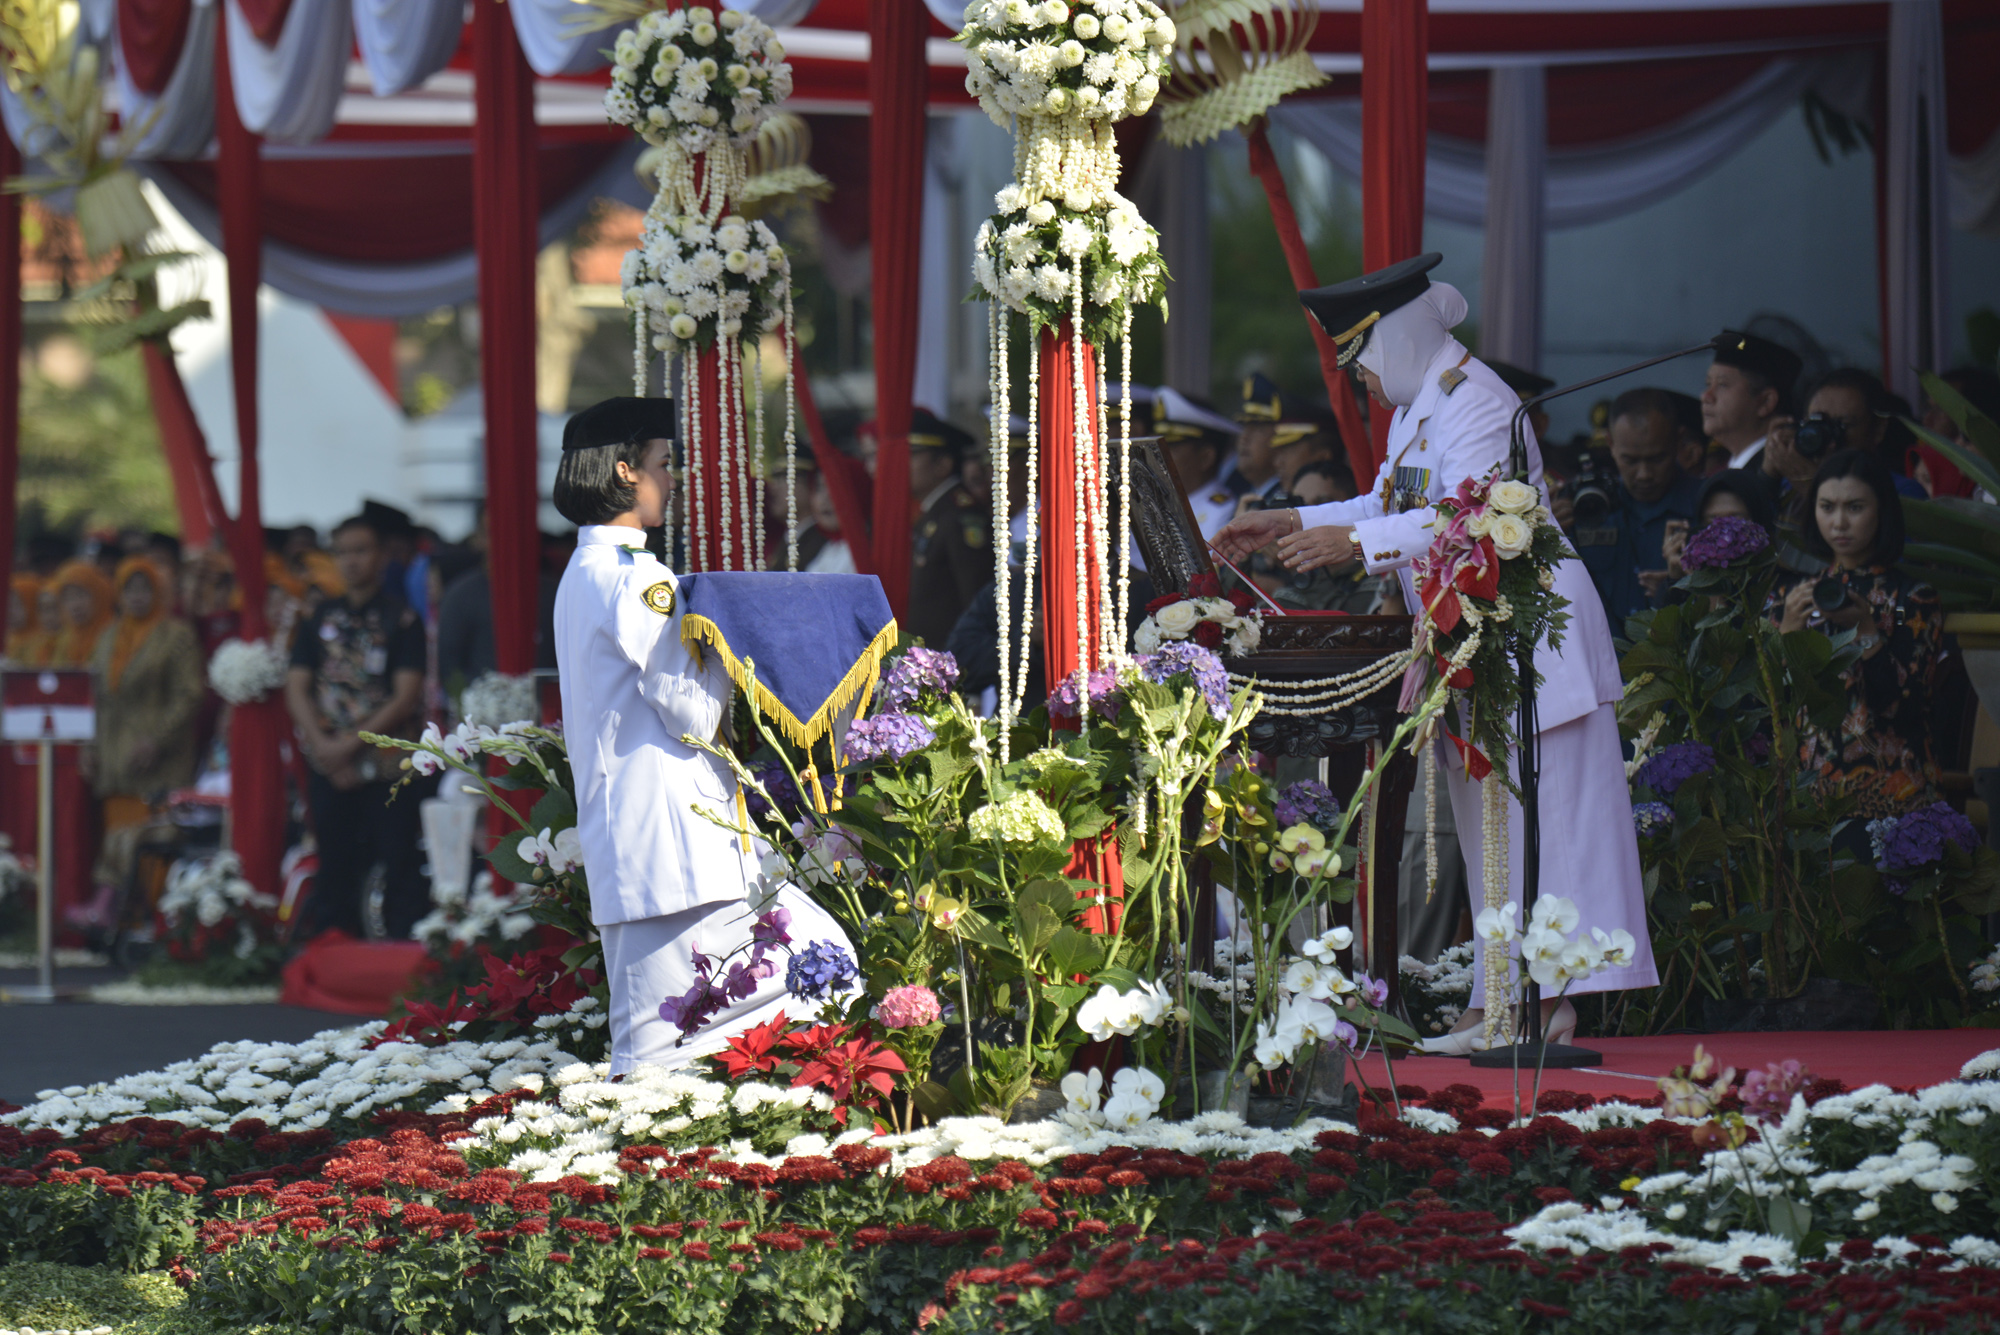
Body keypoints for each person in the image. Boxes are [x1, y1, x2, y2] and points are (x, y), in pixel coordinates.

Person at [1215, 252, 1657, 1052]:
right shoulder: (1422, 405)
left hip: (1529, 643)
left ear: (1400, 338)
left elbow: (1470, 516)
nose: (1361, 381)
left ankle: (1535, 1004)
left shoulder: (1477, 401)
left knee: (1544, 831)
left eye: (1364, 360)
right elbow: (1392, 502)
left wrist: (1355, 542)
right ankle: (1501, 1003)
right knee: (1497, 833)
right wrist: (1294, 520)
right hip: (1477, 645)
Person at [551, 396, 850, 1073]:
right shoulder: (638, 578)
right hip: (678, 847)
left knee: (661, 1041)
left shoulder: (586, 571)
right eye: (664, 463)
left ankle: (664, 1155)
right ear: (624, 471)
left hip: (647, 845)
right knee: (824, 970)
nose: (675, 476)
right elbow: (690, 711)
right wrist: (730, 640)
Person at [1770, 450, 1943, 820]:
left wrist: (1866, 630)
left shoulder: (1913, 596)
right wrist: (1787, 634)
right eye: (1827, 507)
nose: (1839, 523)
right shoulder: (1792, 597)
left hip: (1895, 792)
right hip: (1809, 792)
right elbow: (1768, 705)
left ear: (1882, 510)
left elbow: (1904, 707)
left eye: (1855, 507)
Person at [284, 512, 432, 940]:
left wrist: (349, 745)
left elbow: (405, 695)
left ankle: (401, 960)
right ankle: (333, 953)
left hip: (385, 766)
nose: (351, 561)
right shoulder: (318, 617)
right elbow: (297, 687)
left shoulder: (402, 619)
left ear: (383, 557)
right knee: (334, 864)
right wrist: (324, 748)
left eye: (361, 551)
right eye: (342, 552)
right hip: (329, 762)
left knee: (398, 861)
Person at [86, 557, 203, 896]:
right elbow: (95, 696)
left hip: (159, 764)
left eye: (145, 589)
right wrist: (89, 747)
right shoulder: (108, 637)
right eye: (129, 589)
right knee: (116, 845)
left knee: (152, 842)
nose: (137, 597)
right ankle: (120, 922)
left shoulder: (175, 635)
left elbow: (189, 695)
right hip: (115, 762)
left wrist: (156, 739)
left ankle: (152, 921)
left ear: (159, 593)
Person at [1572, 387, 1705, 627]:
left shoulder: (1706, 506)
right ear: (1610, 444)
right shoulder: (1586, 508)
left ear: (1678, 441)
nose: (1644, 474)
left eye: (1657, 459)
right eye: (1630, 460)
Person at [905, 408, 991, 648]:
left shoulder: (959, 516)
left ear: (943, 464)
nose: (902, 464)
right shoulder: (935, 513)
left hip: (952, 665)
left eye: (913, 455)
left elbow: (974, 600)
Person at [1792, 367, 1924, 498]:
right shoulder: (1789, 480)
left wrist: (1812, 486)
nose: (1830, 441)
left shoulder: (1903, 492)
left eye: (1843, 425)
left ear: (1878, 429)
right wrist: (1771, 475)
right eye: (1818, 426)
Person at [1702, 329, 1801, 474]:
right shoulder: (1727, 470)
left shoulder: (1777, 472)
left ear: (1766, 402)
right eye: (1708, 383)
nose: (1706, 396)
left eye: (1722, 384)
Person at [1227, 373, 1304, 502]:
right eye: (1244, 426)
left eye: (1258, 429)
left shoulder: (1286, 499)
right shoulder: (1239, 490)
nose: (1244, 437)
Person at [46, 560, 114, 668]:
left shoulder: (114, 638)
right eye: (68, 598)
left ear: (98, 594)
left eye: (81, 595)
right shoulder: (64, 640)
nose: (75, 605)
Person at [6, 573, 43, 664]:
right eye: (7, 605)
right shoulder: (8, 640)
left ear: (33, 604)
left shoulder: (46, 640)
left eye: (17, 604)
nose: (10, 612)